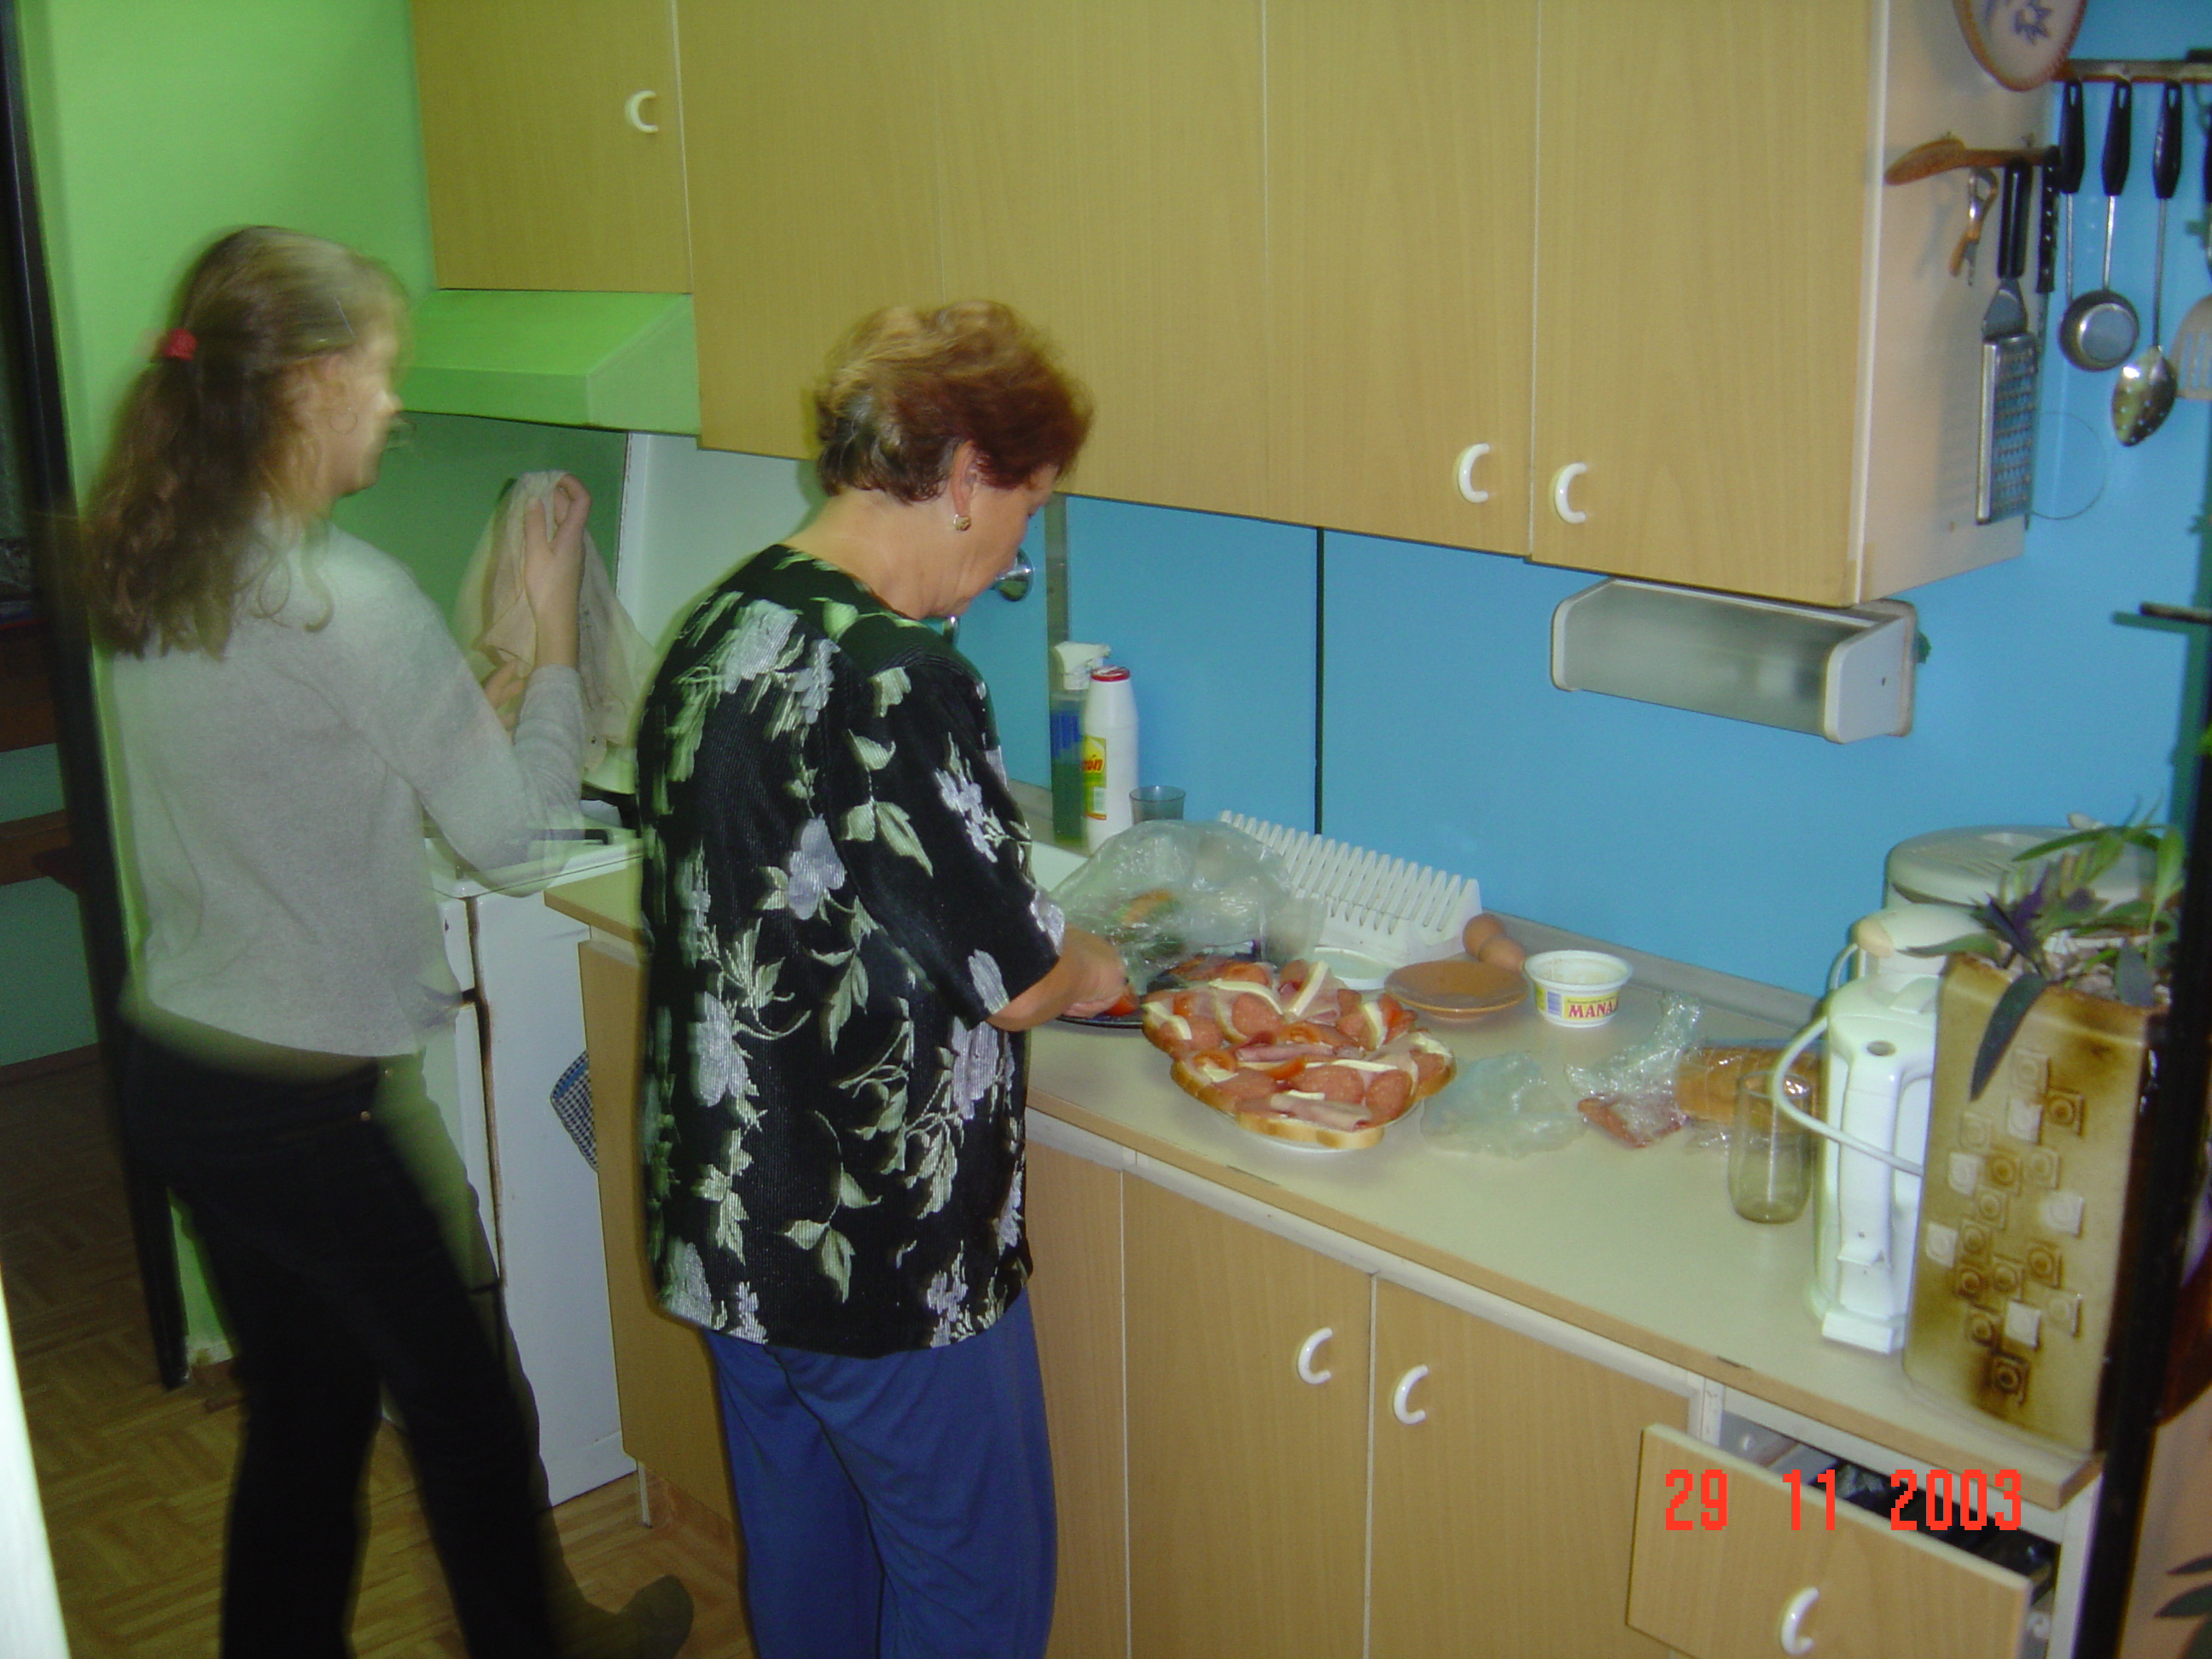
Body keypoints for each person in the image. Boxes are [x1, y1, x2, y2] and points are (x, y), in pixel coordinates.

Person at [82, 226, 687, 1659]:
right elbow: (515, 839)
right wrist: (550, 644)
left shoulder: (163, 565)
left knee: (308, 1414)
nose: (393, 400)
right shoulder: (346, 597)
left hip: (185, 1074)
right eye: (378, 370)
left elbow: (292, 763)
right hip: (313, 1105)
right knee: (471, 1412)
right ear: (305, 386)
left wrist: (464, 696)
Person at [633, 300, 1127, 1659]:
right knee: (974, 1596)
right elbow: (1018, 975)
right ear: (966, 476)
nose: (1013, 555)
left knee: (814, 1573)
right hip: (877, 1258)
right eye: (1027, 512)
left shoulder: (726, 618)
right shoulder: (896, 677)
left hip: (733, 1234)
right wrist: (1100, 961)